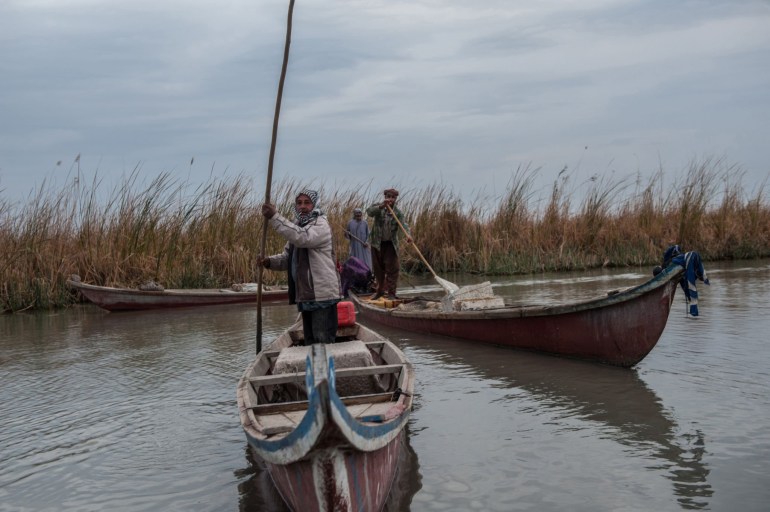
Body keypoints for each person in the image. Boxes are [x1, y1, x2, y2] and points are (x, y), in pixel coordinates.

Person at [259, 189, 341, 345]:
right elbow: (287, 259)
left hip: (323, 296)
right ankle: (316, 368)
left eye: (307, 203)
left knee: (322, 343)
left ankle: (323, 369)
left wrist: (275, 217)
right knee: (310, 342)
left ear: (314, 205)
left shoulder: (320, 224)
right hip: (306, 296)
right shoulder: (298, 226)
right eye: (299, 203)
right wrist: (268, 262)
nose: (302, 207)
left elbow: (303, 237)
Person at [366, 188, 412, 300]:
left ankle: (391, 293)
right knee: (378, 269)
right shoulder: (379, 207)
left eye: (393, 197)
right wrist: (382, 206)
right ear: (385, 197)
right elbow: (369, 212)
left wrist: (408, 235)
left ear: (395, 199)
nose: (390, 199)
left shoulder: (398, 213)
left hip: (390, 244)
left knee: (393, 269)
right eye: (388, 197)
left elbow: (404, 225)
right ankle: (380, 290)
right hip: (377, 243)